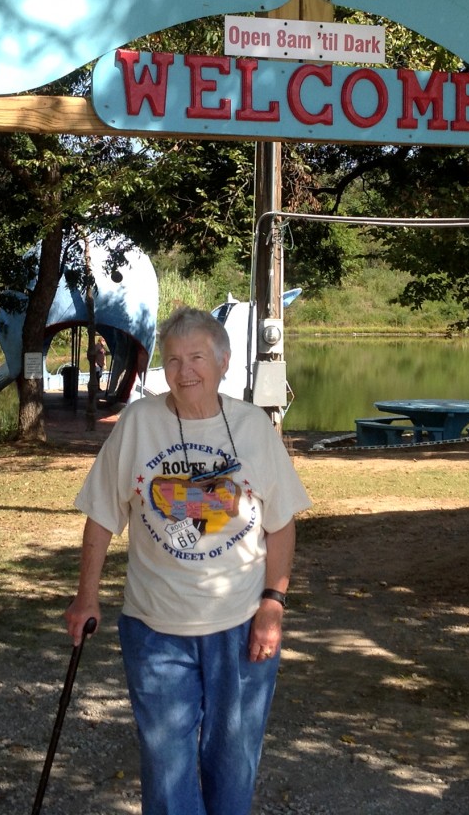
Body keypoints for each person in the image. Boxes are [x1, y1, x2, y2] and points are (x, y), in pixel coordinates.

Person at [65, 306, 311, 815]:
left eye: (197, 357)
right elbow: (102, 516)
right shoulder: (138, 423)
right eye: (173, 359)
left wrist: (273, 604)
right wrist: (85, 596)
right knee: (166, 762)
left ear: (222, 363)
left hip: (240, 626)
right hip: (155, 627)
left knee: (233, 761)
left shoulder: (252, 428)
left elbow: (281, 523)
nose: (185, 371)